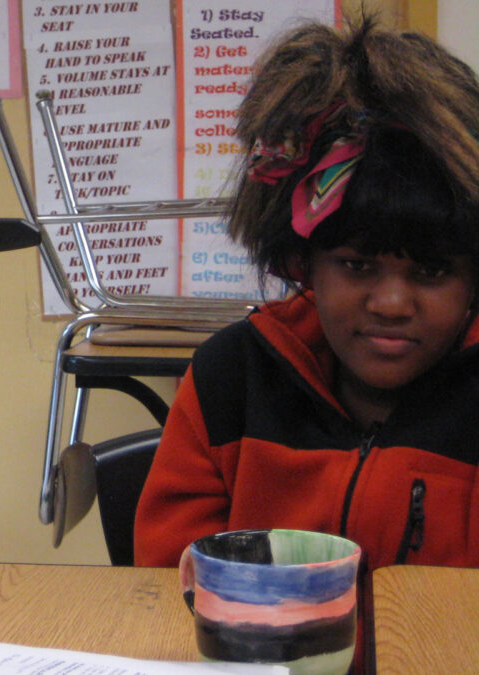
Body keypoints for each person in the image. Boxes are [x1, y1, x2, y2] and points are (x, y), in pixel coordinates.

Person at [134, 18, 479, 570]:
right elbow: (172, 590)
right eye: (356, 264)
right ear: (303, 263)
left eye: (432, 271)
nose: (391, 304)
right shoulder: (230, 379)